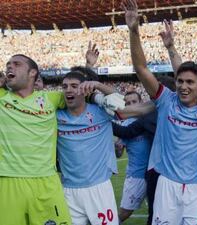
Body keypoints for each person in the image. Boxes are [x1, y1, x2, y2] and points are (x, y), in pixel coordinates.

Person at [123, 0, 197, 223]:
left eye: (190, 82)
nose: (183, 86)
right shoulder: (166, 101)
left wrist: (172, 48)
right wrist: (134, 31)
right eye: (179, 81)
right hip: (166, 185)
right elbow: (141, 69)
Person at [0, 54, 72, 225]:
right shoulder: (2, 97)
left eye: (16, 64)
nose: (10, 66)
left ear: (32, 73)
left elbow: (79, 91)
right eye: (8, 64)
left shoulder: (51, 99)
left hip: (46, 181)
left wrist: (89, 68)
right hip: (8, 181)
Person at [57, 70, 122, 225]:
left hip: (99, 188)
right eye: (65, 86)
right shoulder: (56, 116)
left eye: (74, 86)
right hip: (68, 190)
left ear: (84, 89)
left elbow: (121, 102)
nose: (68, 90)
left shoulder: (101, 111)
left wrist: (98, 86)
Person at [117, 91, 153, 223]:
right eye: (128, 103)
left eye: (134, 102)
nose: (131, 105)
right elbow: (119, 154)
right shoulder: (126, 124)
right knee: (125, 212)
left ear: (141, 102)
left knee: (156, 211)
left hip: (154, 175)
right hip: (136, 176)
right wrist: (118, 147)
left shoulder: (151, 118)